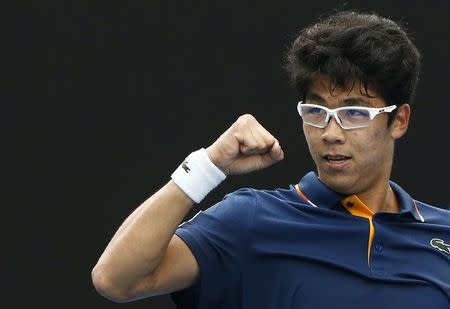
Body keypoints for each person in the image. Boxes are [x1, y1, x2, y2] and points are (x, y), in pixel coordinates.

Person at [91, 10, 450, 308]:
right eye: (316, 111)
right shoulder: (251, 220)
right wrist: (208, 165)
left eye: (354, 113)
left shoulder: (443, 234)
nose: (331, 132)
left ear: (398, 120)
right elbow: (116, 279)